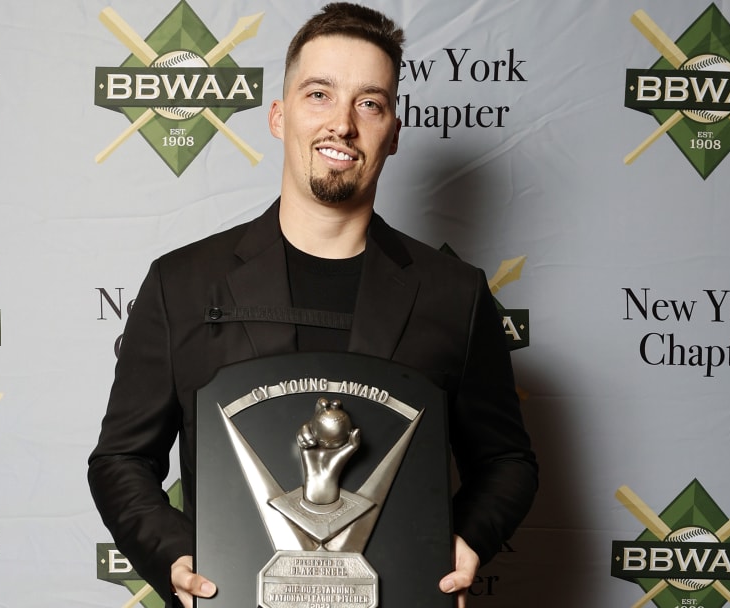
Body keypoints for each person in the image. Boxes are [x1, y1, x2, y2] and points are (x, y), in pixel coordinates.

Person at [88, 4, 538, 607]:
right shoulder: (182, 284)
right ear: (279, 115)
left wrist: (461, 541)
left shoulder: (454, 293)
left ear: (394, 131)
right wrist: (173, 555)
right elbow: (121, 458)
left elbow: (507, 459)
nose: (343, 125)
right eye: (319, 94)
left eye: (370, 103)